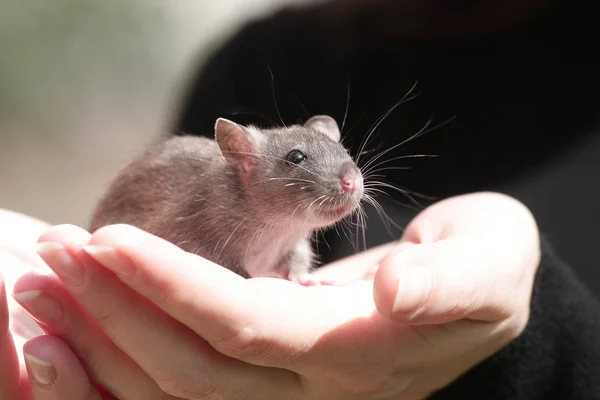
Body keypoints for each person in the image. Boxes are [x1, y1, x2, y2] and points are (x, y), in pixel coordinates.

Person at [2, 0, 600, 398]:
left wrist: (534, 344)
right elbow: (209, 254)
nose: (350, 183)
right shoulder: (267, 67)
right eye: (297, 162)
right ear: (242, 158)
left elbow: (291, 246)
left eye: (347, 167)